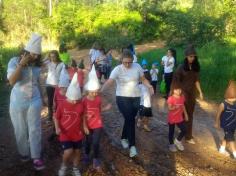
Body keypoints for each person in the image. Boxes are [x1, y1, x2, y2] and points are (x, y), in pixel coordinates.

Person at [101, 49, 154, 157]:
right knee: (130, 119)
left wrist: (149, 86)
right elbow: (110, 81)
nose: (127, 64)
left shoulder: (137, 66)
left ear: (132, 60)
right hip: (122, 97)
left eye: (130, 62)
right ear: (121, 60)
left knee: (130, 118)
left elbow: (143, 79)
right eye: (125, 62)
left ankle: (123, 138)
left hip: (136, 97)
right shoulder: (117, 69)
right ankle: (132, 146)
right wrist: (101, 91)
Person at [7, 33, 45, 170]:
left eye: (37, 55)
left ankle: (36, 156)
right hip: (18, 101)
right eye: (33, 54)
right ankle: (24, 152)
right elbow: (11, 81)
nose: (35, 57)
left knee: (35, 129)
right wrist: (21, 65)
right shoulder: (13, 61)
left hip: (34, 100)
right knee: (20, 129)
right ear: (26, 52)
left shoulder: (37, 65)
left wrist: (44, 98)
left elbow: (38, 83)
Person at [54, 73, 85, 176]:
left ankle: (75, 168)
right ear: (68, 95)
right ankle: (64, 166)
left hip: (77, 134)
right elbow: (56, 117)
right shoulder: (62, 105)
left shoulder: (80, 105)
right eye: (73, 99)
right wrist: (57, 128)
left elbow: (83, 116)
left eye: (77, 99)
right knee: (68, 151)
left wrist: (84, 127)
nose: (75, 101)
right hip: (65, 133)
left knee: (77, 152)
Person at [172, 45, 204, 144]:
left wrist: (200, 92)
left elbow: (196, 81)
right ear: (186, 57)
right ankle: (181, 129)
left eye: (194, 56)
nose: (192, 58)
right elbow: (176, 81)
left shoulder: (195, 67)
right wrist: (175, 94)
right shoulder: (181, 67)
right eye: (190, 56)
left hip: (192, 94)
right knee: (180, 114)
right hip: (182, 94)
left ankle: (188, 136)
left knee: (190, 115)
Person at [83, 65, 111, 171]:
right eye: (92, 91)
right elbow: (83, 114)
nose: (95, 93)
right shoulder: (84, 100)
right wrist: (84, 126)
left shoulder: (98, 99)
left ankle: (95, 158)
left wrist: (106, 108)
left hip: (97, 124)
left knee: (95, 142)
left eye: (96, 91)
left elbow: (98, 110)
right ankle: (86, 153)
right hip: (88, 125)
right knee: (88, 141)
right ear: (88, 90)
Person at [215, 81, 236, 159]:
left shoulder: (235, 104)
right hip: (226, 125)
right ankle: (235, 153)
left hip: (233, 124)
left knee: (227, 136)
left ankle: (222, 149)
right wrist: (216, 122)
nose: (234, 100)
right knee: (231, 139)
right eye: (233, 98)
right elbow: (218, 114)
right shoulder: (223, 104)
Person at [167, 81, 188, 152]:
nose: (179, 91)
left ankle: (178, 141)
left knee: (184, 129)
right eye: (176, 89)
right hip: (172, 117)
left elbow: (183, 105)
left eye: (180, 89)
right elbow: (169, 108)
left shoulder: (182, 97)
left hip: (179, 117)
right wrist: (174, 108)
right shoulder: (171, 98)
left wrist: (186, 114)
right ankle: (171, 144)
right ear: (173, 90)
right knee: (171, 131)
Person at [44, 50, 64, 121]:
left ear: (57, 56)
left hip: (58, 86)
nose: (52, 58)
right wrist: (46, 57)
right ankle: (50, 117)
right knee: (50, 101)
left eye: (54, 56)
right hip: (49, 85)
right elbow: (41, 63)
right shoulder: (48, 63)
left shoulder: (62, 64)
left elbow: (64, 75)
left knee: (58, 101)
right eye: (51, 57)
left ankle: (58, 116)